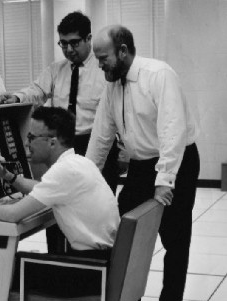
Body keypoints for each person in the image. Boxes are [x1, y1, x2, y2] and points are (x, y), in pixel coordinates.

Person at [86, 25, 200, 301]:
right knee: (123, 230)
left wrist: (164, 181)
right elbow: (101, 135)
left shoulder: (159, 75)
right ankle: (124, 295)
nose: (99, 65)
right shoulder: (112, 85)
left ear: (123, 51)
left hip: (177, 162)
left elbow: (173, 130)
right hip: (140, 166)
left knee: (174, 238)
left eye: (103, 58)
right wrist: (86, 176)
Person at [0, 11, 120, 254]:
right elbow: (36, 91)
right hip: (63, 144)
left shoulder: (104, 73)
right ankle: (56, 259)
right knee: (54, 206)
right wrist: (14, 97)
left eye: (74, 42)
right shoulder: (56, 70)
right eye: (63, 43)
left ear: (88, 39)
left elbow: (115, 116)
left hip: (96, 143)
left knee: (87, 210)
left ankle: (84, 258)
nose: (68, 49)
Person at [0, 106, 120, 255]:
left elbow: (13, 215)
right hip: (105, 257)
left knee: (14, 269)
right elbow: (42, 188)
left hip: (90, 264)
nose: (26, 143)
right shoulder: (79, 162)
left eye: (31, 137)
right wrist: (10, 177)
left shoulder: (63, 171)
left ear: (52, 142)